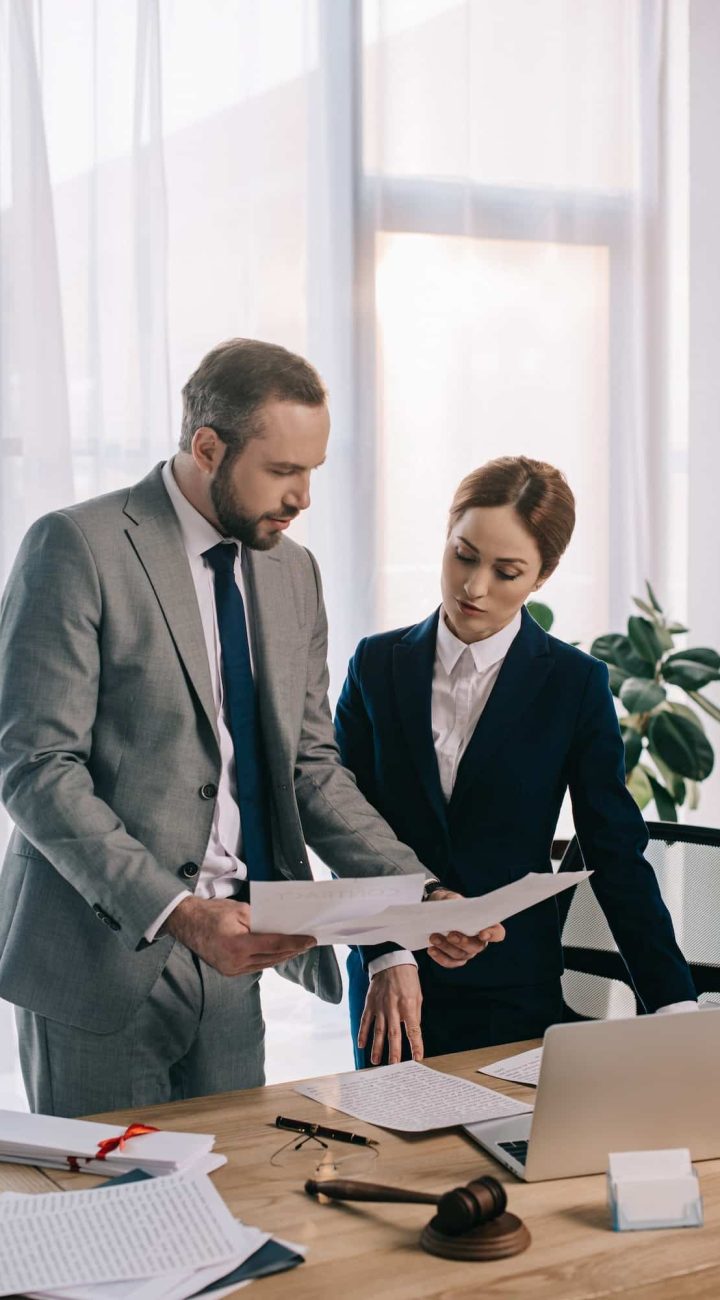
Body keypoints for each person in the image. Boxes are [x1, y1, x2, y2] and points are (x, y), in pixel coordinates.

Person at [0, 338, 497, 1116]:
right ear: (207, 447)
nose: (302, 497)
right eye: (282, 470)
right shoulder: (77, 547)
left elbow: (311, 767)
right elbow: (37, 767)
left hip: (237, 963)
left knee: (231, 1208)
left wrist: (417, 895)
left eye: (313, 472)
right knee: (110, 1218)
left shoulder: (293, 571)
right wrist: (180, 914)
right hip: (100, 958)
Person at [336, 456, 698, 1068]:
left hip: (513, 988)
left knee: (515, 1156)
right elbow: (342, 821)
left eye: (507, 572)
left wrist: (674, 1006)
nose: (474, 587)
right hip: (394, 981)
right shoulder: (376, 664)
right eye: (463, 555)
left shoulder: (576, 684)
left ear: (543, 575)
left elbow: (613, 849)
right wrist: (388, 952)